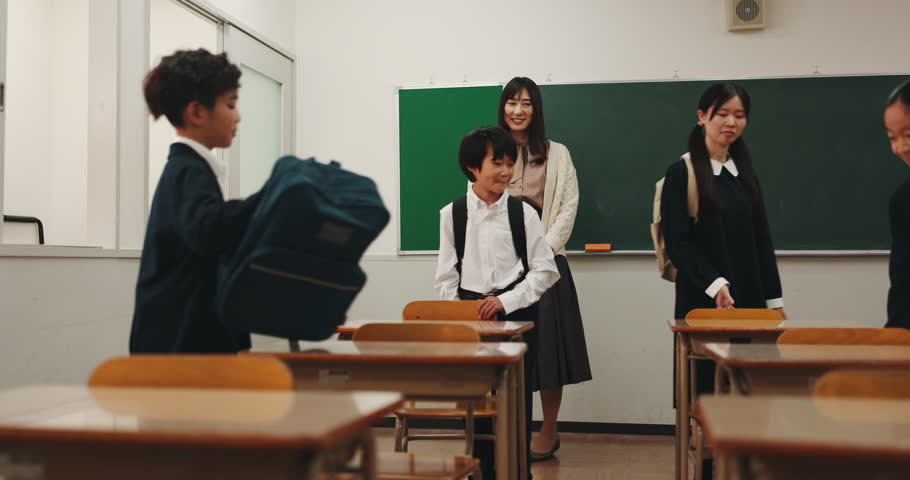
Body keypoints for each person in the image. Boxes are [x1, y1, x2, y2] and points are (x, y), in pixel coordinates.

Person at [661, 82, 785, 479]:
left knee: (748, 397)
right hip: (703, 304)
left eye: (739, 115)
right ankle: (710, 472)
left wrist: (773, 299)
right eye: (722, 114)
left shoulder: (743, 169)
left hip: (748, 303)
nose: (731, 122)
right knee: (709, 398)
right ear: (702, 118)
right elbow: (678, 244)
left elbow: (761, 238)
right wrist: (715, 284)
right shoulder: (682, 171)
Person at [434, 126, 559, 480]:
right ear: (473, 167)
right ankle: (481, 472)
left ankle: (518, 472)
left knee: (516, 404)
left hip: (516, 315)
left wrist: (505, 301)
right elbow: (445, 279)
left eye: (510, 163)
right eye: (497, 163)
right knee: (476, 404)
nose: (506, 171)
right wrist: (462, 315)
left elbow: (545, 271)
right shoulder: (452, 215)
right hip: (469, 320)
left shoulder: (524, 214)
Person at [130, 49, 263, 353]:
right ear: (197, 113)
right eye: (231, 105)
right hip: (180, 348)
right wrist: (273, 195)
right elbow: (209, 231)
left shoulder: (192, 169)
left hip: (185, 340)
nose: (238, 116)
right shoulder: (187, 170)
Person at [498, 77, 592, 461]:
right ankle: (506, 427)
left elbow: (567, 209)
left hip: (548, 266)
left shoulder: (558, 154)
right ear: (502, 107)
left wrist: (541, 255)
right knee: (506, 354)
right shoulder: (490, 151)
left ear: (536, 110)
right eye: (511, 102)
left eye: (526, 103)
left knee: (549, 356)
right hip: (501, 270)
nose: (517, 110)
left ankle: (548, 430)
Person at [884, 79, 910, 329]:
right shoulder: (903, 200)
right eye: (893, 137)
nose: (901, 147)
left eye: (908, 135)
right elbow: (903, 283)